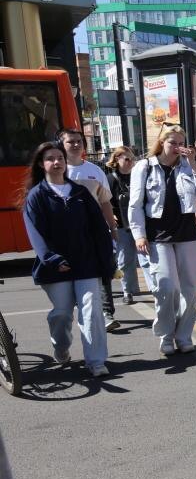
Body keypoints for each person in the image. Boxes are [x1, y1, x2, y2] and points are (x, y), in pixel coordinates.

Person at [22, 141, 114, 377]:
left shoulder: (80, 192)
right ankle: (60, 347)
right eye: (51, 159)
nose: (56, 162)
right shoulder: (36, 196)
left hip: (86, 264)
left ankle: (96, 361)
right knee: (62, 313)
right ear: (42, 165)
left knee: (91, 311)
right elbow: (37, 235)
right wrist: (52, 259)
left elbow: (98, 230)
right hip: (56, 267)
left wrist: (107, 260)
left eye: (60, 158)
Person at [129, 125, 196, 356]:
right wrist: (139, 235)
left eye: (180, 143)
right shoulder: (145, 167)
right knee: (167, 287)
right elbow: (135, 204)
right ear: (162, 143)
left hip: (187, 234)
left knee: (191, 289)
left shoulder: (188, 167)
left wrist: (195, 166)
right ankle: (166, 335)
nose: (177, 148)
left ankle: (183, 335)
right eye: (173, 143)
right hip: (159, 236)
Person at [59, 128, 120, 332]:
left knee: (103, 270)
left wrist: (112, 227)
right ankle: (80, 310)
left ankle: (106, 313)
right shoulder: (59, 171)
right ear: (62, 145)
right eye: (70, 142)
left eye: (79, 141)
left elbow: (105, 203)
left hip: (95, 231)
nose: (75, 145)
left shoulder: (95, 170)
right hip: (68, 236)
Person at [104, 147, 143, 304]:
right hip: (121, 224)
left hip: (140, 223)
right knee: (125, 260)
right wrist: (111, 219)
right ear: (117, 159)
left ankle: (144, 289)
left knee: (146, 259)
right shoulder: (110, 179)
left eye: (132, 159)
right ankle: (127, 291)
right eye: (127, 159)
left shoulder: (138, 176)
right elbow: (106, 201)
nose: (130, 162)